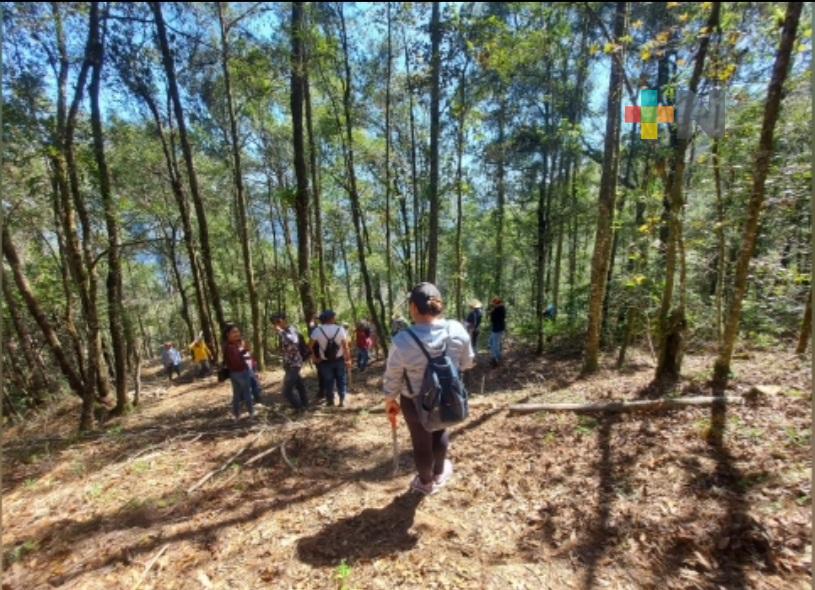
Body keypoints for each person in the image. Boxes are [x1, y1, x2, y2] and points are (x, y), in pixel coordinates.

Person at [383, 282, 474, 495]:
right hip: (447, 395)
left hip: (414, 400)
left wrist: (390, 399)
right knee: (441, 429)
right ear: (439, 304)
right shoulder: (456, 329)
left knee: (421, 441)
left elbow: (393, 375)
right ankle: (439, 473)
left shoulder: (402, 340)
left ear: (413, 307)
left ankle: (425, 483)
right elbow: (468, 362)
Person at [310, 310, 352, 407]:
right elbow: (345, 346)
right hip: (339, 360)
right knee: (341, 379)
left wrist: (314, 357)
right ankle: (342, 400)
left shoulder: (317, 330)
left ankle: (330, 401)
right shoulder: (340, 329)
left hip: (325, 361)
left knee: (328, 381)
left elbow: (310, 346)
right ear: (332, 318)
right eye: (334, 317)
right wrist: (348, 359)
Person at [272, 312, 309, 411]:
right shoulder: (284, 332)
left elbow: (293, 340)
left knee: (287, 391)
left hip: (295, 364)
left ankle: (299, 407)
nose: (277, 324)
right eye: (275, 323)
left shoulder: (291, 330)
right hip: (288, 364)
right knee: (299, 385)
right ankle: (305, 405)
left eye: (279, 321)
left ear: (284, 320)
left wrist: (281, 332)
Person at [222, 323, 255, 420]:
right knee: (247, 393)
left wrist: (244, 351)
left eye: (237, 332)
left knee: (236, 395)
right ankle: (251, 413)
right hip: (240, 372)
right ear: (228, 334)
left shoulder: (230, 344)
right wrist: (243, 355)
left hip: (234, 373)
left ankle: (237, 415)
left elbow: (237, 356)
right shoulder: (230, 346)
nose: (237, 334)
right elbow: (236, 361)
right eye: (234, 332)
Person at [488, 297, 507, 367]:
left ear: (497, 304)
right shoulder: (502, 308)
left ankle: (495, 359)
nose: (493, 305)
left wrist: (492, 313)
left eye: (494, 304)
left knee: (494, 344)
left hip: (497, 329)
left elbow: (493, 320)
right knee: (493, 342)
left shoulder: (497, 310)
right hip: (499, 328)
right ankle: (498, 356)